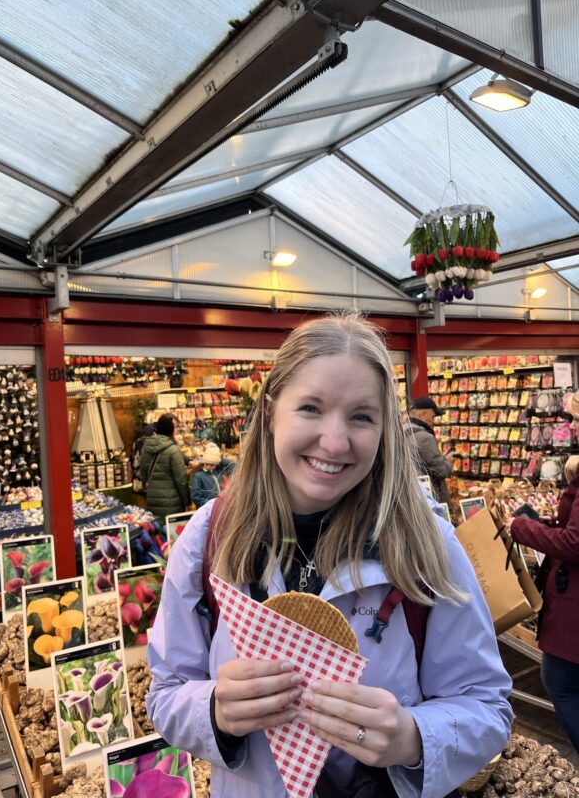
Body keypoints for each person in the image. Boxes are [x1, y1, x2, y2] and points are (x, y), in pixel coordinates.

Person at [147, 314, 512, 798]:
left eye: (362, 417)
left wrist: (413, 738)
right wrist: (214, 711)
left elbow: (487, 706)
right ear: (271, 411)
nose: (335, 443)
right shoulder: (209, 538)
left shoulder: (427, 544)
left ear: (384, 429)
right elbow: (166, 692)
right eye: (311, 408)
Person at [508, 398, 579, 755]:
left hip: (573, 608)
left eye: (576, 419)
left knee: (559, 682)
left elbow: (574, 543)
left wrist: (521, 528)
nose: (572, 427)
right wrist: (549, 523)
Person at [139, 414, 190, 526]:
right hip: (172, 502)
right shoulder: (173, 450)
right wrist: (187, 502)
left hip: (152, 499)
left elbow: (142, 474)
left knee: (157, 531)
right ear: (170, 430)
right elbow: (181, 480)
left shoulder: (146, 447)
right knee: (172, 533)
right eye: (175, 427)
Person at [406, 396, 453, 504]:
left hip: (411, 495)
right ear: (422, 414)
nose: (433, 421)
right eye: (433, 417)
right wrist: (447, 460)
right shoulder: (425, 438)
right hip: (429, 498)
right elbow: (441, 471)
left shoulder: (402, 431)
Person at [191, 442, 236, 508]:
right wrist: (211, 505)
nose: (209, 467)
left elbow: (235, 465)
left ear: (217, 464)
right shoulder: (199, 476)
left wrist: (220, 460)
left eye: (212, 465)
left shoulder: (220, 471)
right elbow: (196, 497)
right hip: (210, 508)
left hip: (224, 506)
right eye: (206, 464)